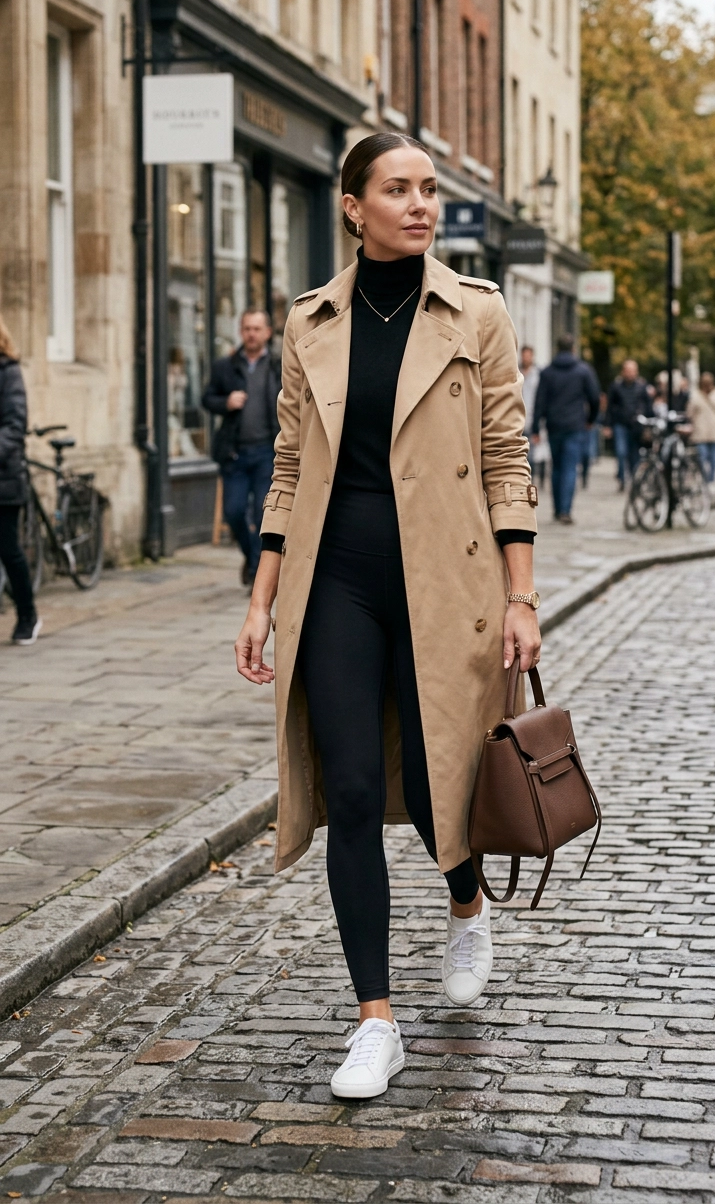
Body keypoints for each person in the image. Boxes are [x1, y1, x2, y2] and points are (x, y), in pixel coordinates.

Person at [234, 133, 540, 1099]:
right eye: (397, 189)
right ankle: (376, 1019)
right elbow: (288, 466)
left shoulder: (475, 312)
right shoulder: (311, 321)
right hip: (338, 582)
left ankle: (465, 902)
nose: (420, 204)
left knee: (449, 774)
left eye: (430, 189)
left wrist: (522, 595)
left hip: (449, 581)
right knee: (355, 792)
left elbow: (504, 458)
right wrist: (262, 596)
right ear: (352, 206)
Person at [202, 310, 281, 585]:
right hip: (234, 453)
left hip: (267, 454)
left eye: (257, 328)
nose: (251, 333)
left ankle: (258, 575)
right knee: (233, 512)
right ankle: (251, 557)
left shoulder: (278, 366)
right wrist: (226, 402)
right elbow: (207, 398)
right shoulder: (225, 366)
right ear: (240, 331)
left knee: (264, 514)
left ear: (267, 333)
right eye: (247, 328)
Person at [0, 316, 40, 645]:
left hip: (3, 478)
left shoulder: (8, 371)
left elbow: (14, 426)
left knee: (8, 549)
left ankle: (28, 614)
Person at [531, 334, 600, 524]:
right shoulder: (583, 371)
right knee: (570, 468)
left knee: (557, 467)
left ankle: (557, 508)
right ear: (573, 349)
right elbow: (594, 398)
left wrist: (536, 427)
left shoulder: (547, 373)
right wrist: (590, 420)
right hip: (575, 425)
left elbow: (540, 402)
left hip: (554, 426)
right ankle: (565, 510)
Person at [605, 360, 652, 491]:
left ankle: (633, 479)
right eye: (628, 370)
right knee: (621, 452)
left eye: (632, 371)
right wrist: (607, 425)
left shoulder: (642, 387)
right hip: (620, 423)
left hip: (636, 426)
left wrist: (648, 425)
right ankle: (621, 477)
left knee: (634, 455)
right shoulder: (616, 386)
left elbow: (648, 407)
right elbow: (609, 407)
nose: (630, 373)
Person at [687, 372, 715, 484]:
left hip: (713, 431)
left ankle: (711, 479)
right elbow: (690, 412)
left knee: (713, 458)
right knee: (703, 457)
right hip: (702, 431)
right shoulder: (696, 395)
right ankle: (705, 479)